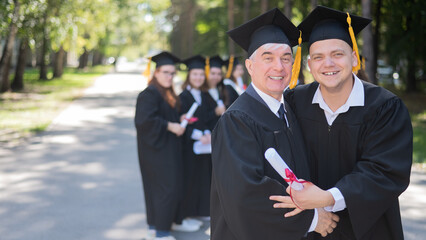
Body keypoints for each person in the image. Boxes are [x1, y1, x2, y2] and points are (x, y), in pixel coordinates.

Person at [274, 6, 413, 240]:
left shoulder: (385, 107)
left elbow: (386, 171)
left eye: (337, 54)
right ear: (309, 65)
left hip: (370, 230)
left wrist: (328, 198)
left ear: (354, 58)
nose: (328, 63)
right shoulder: (294, 102)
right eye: (318, 57)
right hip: (312, 227)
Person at [210, 8, 339, 240]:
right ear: (250, 66)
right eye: (268, 58)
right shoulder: (237, 120)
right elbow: (246, 196)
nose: (279, 67)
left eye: (286, 58)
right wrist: (311, 219)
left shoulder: (288, 110)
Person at [135, 51, 187, 240]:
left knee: (168, 187)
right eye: (166, 72)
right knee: (164, 188)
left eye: (173, 73)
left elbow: (164, 115)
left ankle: (158, 226)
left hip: (167, 149)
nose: (170, 76)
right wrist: (169, 125)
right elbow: (144, 121)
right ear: (155, 72)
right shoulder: (148, 94)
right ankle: (160, 232)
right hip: (155, 152)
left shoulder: (166, 93)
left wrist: (178, 119)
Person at [178, 55, 218, 225]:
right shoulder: (183, 97)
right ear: (189, 76)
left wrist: (208, 133)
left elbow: (210, 119)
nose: (198, 78)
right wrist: (198, 136)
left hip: (206, 145)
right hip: (190, 145)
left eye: (201, 75)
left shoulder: (206, 96)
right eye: (195, 74)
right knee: (191, 177)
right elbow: (182, 123)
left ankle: (203, 210)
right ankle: (188, 212)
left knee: (205, 177)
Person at [206, 55, 226, 125]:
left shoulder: (222, 90)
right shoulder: (202, 92)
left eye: (219, 74)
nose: (216, 77)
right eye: (213, 73)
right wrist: (215, 112)